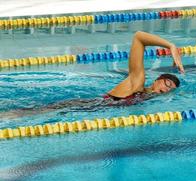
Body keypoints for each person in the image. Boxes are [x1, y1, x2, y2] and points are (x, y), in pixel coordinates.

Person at [0, 31, 184, 119]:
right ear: (157, 80)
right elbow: (139, 37)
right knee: (25, 114)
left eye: (170, 89)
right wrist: (171, 46)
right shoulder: (137, 82)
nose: (166, 89)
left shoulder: (148, 98)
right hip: (86, 105)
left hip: (89, 112)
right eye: (166, 83)